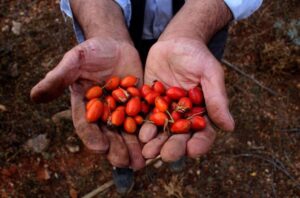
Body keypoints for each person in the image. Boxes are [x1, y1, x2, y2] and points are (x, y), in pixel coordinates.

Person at [30, 0, 263, 194]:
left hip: (197, 35)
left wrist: (195, 25)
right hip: (119, 28)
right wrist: (104, 27)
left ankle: (172, 144)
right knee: (119, 137)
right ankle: (123, 165)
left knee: (190, 102)